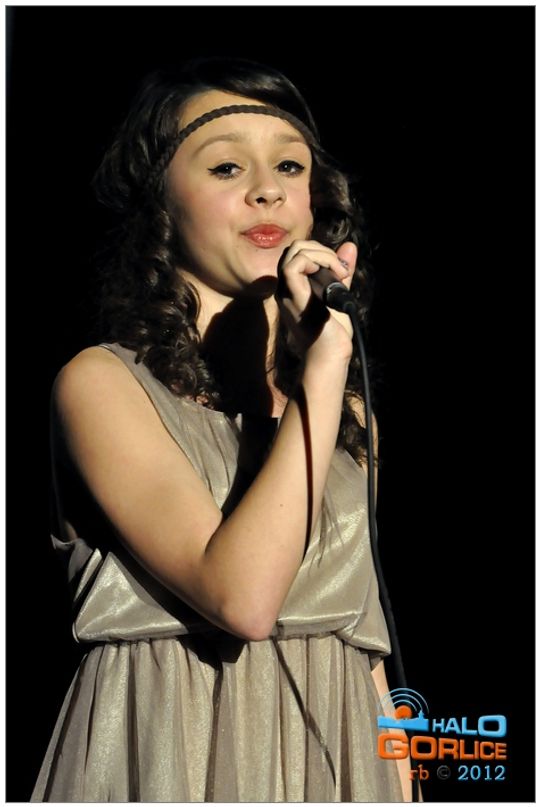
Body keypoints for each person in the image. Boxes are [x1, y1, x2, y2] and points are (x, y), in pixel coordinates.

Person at [30, 56, 413, 802]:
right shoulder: (101, 385)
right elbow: (241, 598)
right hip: (174, 751)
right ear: (160, 205)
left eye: (290, 166)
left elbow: (366, 647)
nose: (267, 189)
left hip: (332, 759)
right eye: (227, 167)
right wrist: (322, 374)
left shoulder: (346, 414)